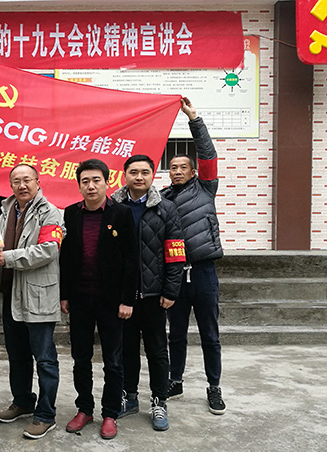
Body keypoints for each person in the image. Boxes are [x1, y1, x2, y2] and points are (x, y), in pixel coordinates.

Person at [0, 164, 64, 440]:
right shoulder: (6, 212)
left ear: (38, 182)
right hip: (9, 294)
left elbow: (48, 250)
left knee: (45, 359)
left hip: (38, 296)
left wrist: (6, 258)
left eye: (27, 180)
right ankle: (23, 401)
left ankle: (46, 414)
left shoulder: (50, 212)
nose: (22, 185)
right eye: (16, 181)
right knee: (17, 356)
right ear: (10, 185)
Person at [59, 159, 138, 440]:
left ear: (107, 182)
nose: (91, 186)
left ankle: (110, 413)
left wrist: (128, 300)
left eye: (96, 180)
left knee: (113, 361)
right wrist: (64, 295)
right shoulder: (71, 213)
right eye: (85, 181)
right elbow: (66, 257)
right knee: (80, 358)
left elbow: (132, 259)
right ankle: (84, 408)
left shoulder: (122, 214)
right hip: (80, 299)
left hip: (111, 301)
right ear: (79, 185)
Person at [161, 97, 226, 415]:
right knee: (175, 334)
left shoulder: (205, 188)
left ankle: (214, 387)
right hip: (175, 275)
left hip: (203, 273)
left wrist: (194, 119)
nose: (176, 171)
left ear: (193, 171)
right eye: (172, 167)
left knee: (209, 335)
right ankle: (175, 381)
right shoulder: (161, 199)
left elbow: (208, 153)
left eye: (182, 167)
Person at [111, 155, 185, 431]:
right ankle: (129, 397)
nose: (139, 177)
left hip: (155, 295)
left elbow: (175, 252)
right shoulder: (113, 207)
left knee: (157, 351)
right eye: (134, 172)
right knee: (126, 349)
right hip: (123, 296)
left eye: (144, 172)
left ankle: (159, 400)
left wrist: (171, 290)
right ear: (125, 175)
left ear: (153, 175)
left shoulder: (166, 208)